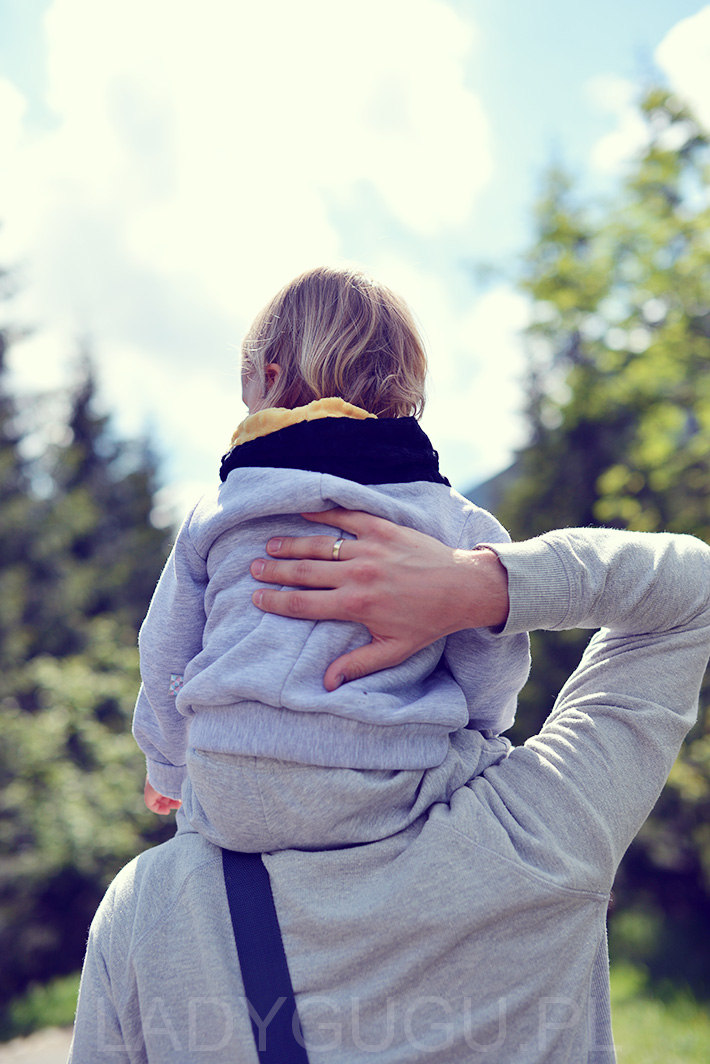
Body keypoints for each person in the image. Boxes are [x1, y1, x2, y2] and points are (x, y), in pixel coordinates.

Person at [70, 512, 710, 1062]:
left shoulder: (149, 909)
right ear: (443, 646)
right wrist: (480, 583)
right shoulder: (541, 832)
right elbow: (692, 593)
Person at [132, 265, 530, 851]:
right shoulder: (451, 521)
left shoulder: (217, 510)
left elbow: (166, 647)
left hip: (227, 781)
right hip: (386, 780)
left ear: (268, 378)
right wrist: (484, 730)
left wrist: (169, 768)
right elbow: (489, 661)